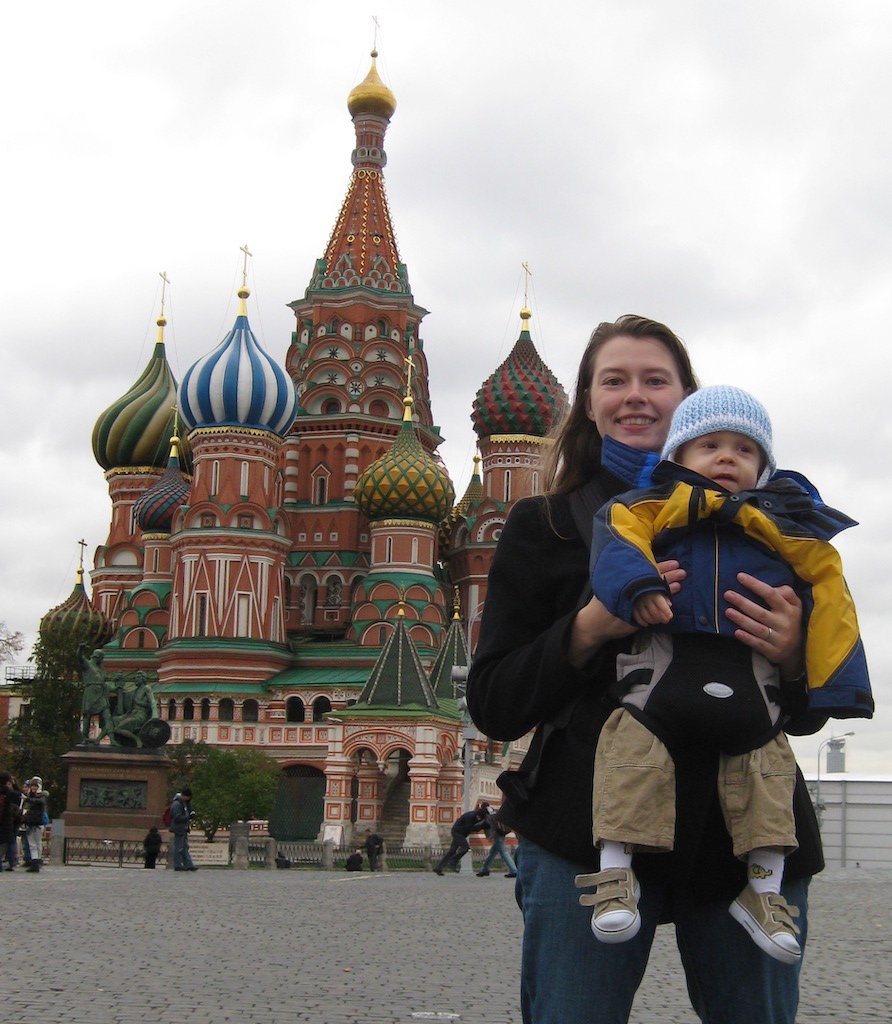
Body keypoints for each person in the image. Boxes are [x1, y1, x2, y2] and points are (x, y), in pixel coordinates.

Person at [466, 315, 827, 1024]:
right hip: (585, 831)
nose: (636, 396)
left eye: (656, 380)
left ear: (688, 399)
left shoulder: (769, 527)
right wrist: (591, 625)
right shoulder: (549, 525)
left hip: (743, 832)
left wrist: (793, 655)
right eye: (615, 380)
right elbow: (496, 702)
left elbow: (808, 710)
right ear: (588, 402)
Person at [582, 385, 872, 963]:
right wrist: (636, 587)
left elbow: (829, 585)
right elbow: (617, 536)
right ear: (677, 459)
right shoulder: (654, 505)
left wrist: (827, 673)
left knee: (767, 777)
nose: (726, 457)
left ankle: (763, 893)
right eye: (709, 445)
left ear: (764, 467)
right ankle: (615, 874)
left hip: (753, 682)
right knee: (629, 757)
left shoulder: (781, 523)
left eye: (743, 449)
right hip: (664, 673)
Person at [433, 805, 488, 875]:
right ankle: (453, 861)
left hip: (460, 833)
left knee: (452, 851)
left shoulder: (477, 815)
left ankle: (438, 868)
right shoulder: (470, 816)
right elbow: (469, 828)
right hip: (457, 832)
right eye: (479, 818)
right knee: (465, 847)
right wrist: (481, 826)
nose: (479, 819)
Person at [476, 802, 518, 878]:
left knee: (504, 853)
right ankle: (484, 869)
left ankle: (513, 870)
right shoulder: (494, 811)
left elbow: (490, 825)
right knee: (492, 853)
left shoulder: (487, 814)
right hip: (501, 833)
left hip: (497, 835)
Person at [21, 776, 47, 872]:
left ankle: (36, 861)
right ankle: (35, 861)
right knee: (33, 844)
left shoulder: (42, 796)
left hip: (37, 823)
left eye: (35, 786)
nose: (33, 788)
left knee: (36, 843)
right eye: (32, 786)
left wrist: (28, 799)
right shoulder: (32, 796)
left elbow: (40, 802)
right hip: (31, 822)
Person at [168, 788, 197, 871]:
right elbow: (177, 817)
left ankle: (188, 864)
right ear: (185, 796)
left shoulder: (184, 803)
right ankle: (178, 864)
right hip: (179, 828)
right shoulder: (177, 804)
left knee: (184, 847)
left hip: (183, 828)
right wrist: (188, 817)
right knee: (179, 848)